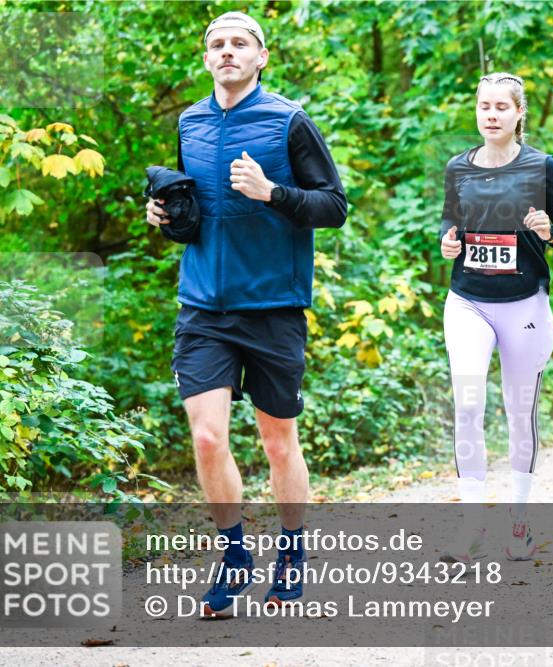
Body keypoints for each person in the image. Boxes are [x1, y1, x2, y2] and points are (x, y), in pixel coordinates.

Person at [145, 11, 347, 617]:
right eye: (216, 44)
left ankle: (292, 554)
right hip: (203, 305)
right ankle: (234, 556)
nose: (227, 51)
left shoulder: (289, 122)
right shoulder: (190, 123)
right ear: (206, 58)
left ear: (262, 56)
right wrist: (164, 219)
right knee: (207, 437)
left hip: (273, 308)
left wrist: (272, 193)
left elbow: (334, 206)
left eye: (239, 43)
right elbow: (194, 211)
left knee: (278, 443)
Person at [438, 72, 553, 563]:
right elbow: (449, 221)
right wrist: (448, 241)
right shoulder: (459, 167)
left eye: (502, 106)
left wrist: (550, 231)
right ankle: (471, 526)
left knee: (519, 413)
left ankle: (518, 523)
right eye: (484, 106)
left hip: (524, 305)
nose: (492, 115)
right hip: (468, 302)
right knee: (467, 404)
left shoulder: (541, 167)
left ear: (519, 113)